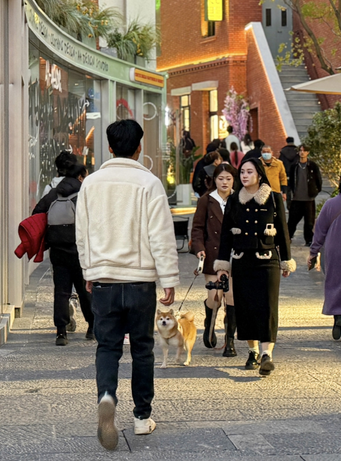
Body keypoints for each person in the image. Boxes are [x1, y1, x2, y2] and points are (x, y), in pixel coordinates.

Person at [75, 119, 178, 449]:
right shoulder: (149, 183)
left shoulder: (91, 184)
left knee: (107, 346)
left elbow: (83, 234)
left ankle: (106, 396)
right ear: (139, 148)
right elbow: (161, 236)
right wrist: (169, 279)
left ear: (108, 147)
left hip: (103, 280)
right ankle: (141, 417)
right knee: (143, 349)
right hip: (140, 281)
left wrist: (90, 271)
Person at [215, 158, 296, 376]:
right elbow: (225, 235)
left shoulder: (274, 198)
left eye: (249, 172)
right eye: (242, 172)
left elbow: (283, 232)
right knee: (246, 307)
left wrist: (286, 259)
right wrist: (223, 264)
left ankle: (267, 354)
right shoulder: (234, 200)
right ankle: (253, 352)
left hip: (267, 260)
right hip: (242, 261)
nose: (244, 176)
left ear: (259, 174)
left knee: (268, 306)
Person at [33, 151, 94, 345]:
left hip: (58, 248)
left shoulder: (55, 191)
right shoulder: (83, 191)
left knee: (61, 290)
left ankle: (61, 332)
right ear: (78, 175)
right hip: (79, 248)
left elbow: (37, 212)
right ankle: (92, 327)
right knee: (84, 289)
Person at [191, 163, 238, 356]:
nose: (225, 182)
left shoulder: (239, 199)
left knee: (232, 298)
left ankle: (230, 340)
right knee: (215, 297)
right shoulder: (206, 200)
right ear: (214, 180)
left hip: (236, 256)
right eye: (221, 179)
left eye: (228, 178)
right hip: (213, 255)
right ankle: (209, 321)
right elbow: (197, 229)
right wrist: (199, 249)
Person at [308, 172, 341, 341]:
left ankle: (336, 316)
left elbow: (320, 230)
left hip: (333, 248)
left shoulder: (330, 204)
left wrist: (313, 252)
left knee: (334, 282)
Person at [287, 144, 322, 246]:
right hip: (296, 198)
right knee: (292, 220)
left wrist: (315, 192)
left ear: (308, 153)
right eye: (300, 151)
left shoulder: (312, 166)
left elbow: (318, 180)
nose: (302, 152)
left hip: (309, 199)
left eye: (304, 151)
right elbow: (290, 183)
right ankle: (288, 237)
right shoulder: (294, 166)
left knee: (309, 222)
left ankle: (309, 240)